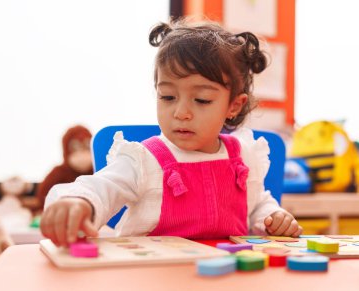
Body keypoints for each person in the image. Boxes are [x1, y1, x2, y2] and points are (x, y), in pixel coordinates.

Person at [41, 18, 302, 247]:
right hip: (153, 277)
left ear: (234, 106)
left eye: (201, 100)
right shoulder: (144, 160)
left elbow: (256, 203)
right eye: (167, 97)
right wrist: (78, 202)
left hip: (225, 278)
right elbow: (101, 187)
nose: (181, 112)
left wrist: (271, 217)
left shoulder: (243, 158)